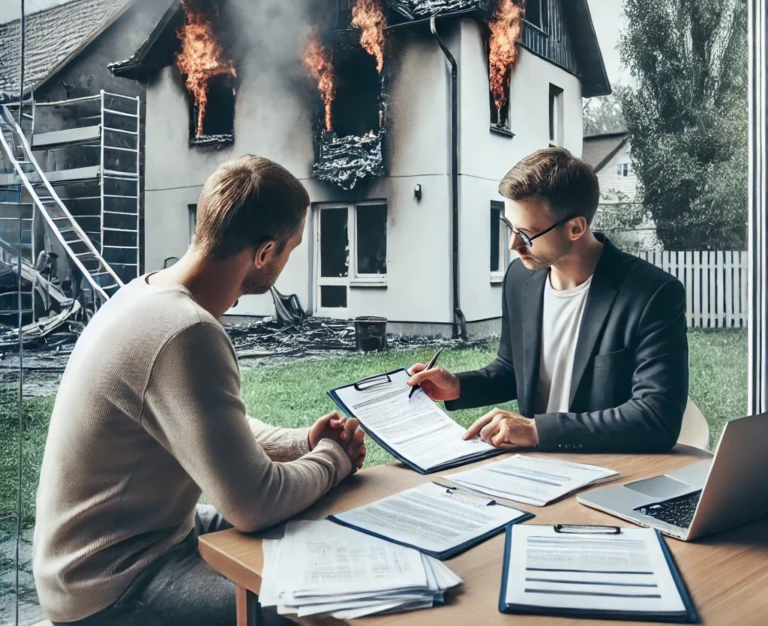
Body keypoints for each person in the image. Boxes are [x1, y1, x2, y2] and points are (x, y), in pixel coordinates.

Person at [33, 155, 366, 626]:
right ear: (266, 253)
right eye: (291, 250)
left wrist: (301, 444)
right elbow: (254, 503)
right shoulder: (184, 332)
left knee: (314, 527)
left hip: (142, 542)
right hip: (112, 583)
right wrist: (334, 459)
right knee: (314, 609)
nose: (287, 262)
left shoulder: (144, 294)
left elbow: (206, 424)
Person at [407, 147, 688, 454]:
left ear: (576, 228)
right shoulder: (520, 278)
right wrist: (458, 387)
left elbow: (657, 418)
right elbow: (513, 368)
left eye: (526, 234)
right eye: (509, 227)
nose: (513, 245)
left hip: (610, 471)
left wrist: (537, 429)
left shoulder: (654, 294)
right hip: (534, 470)